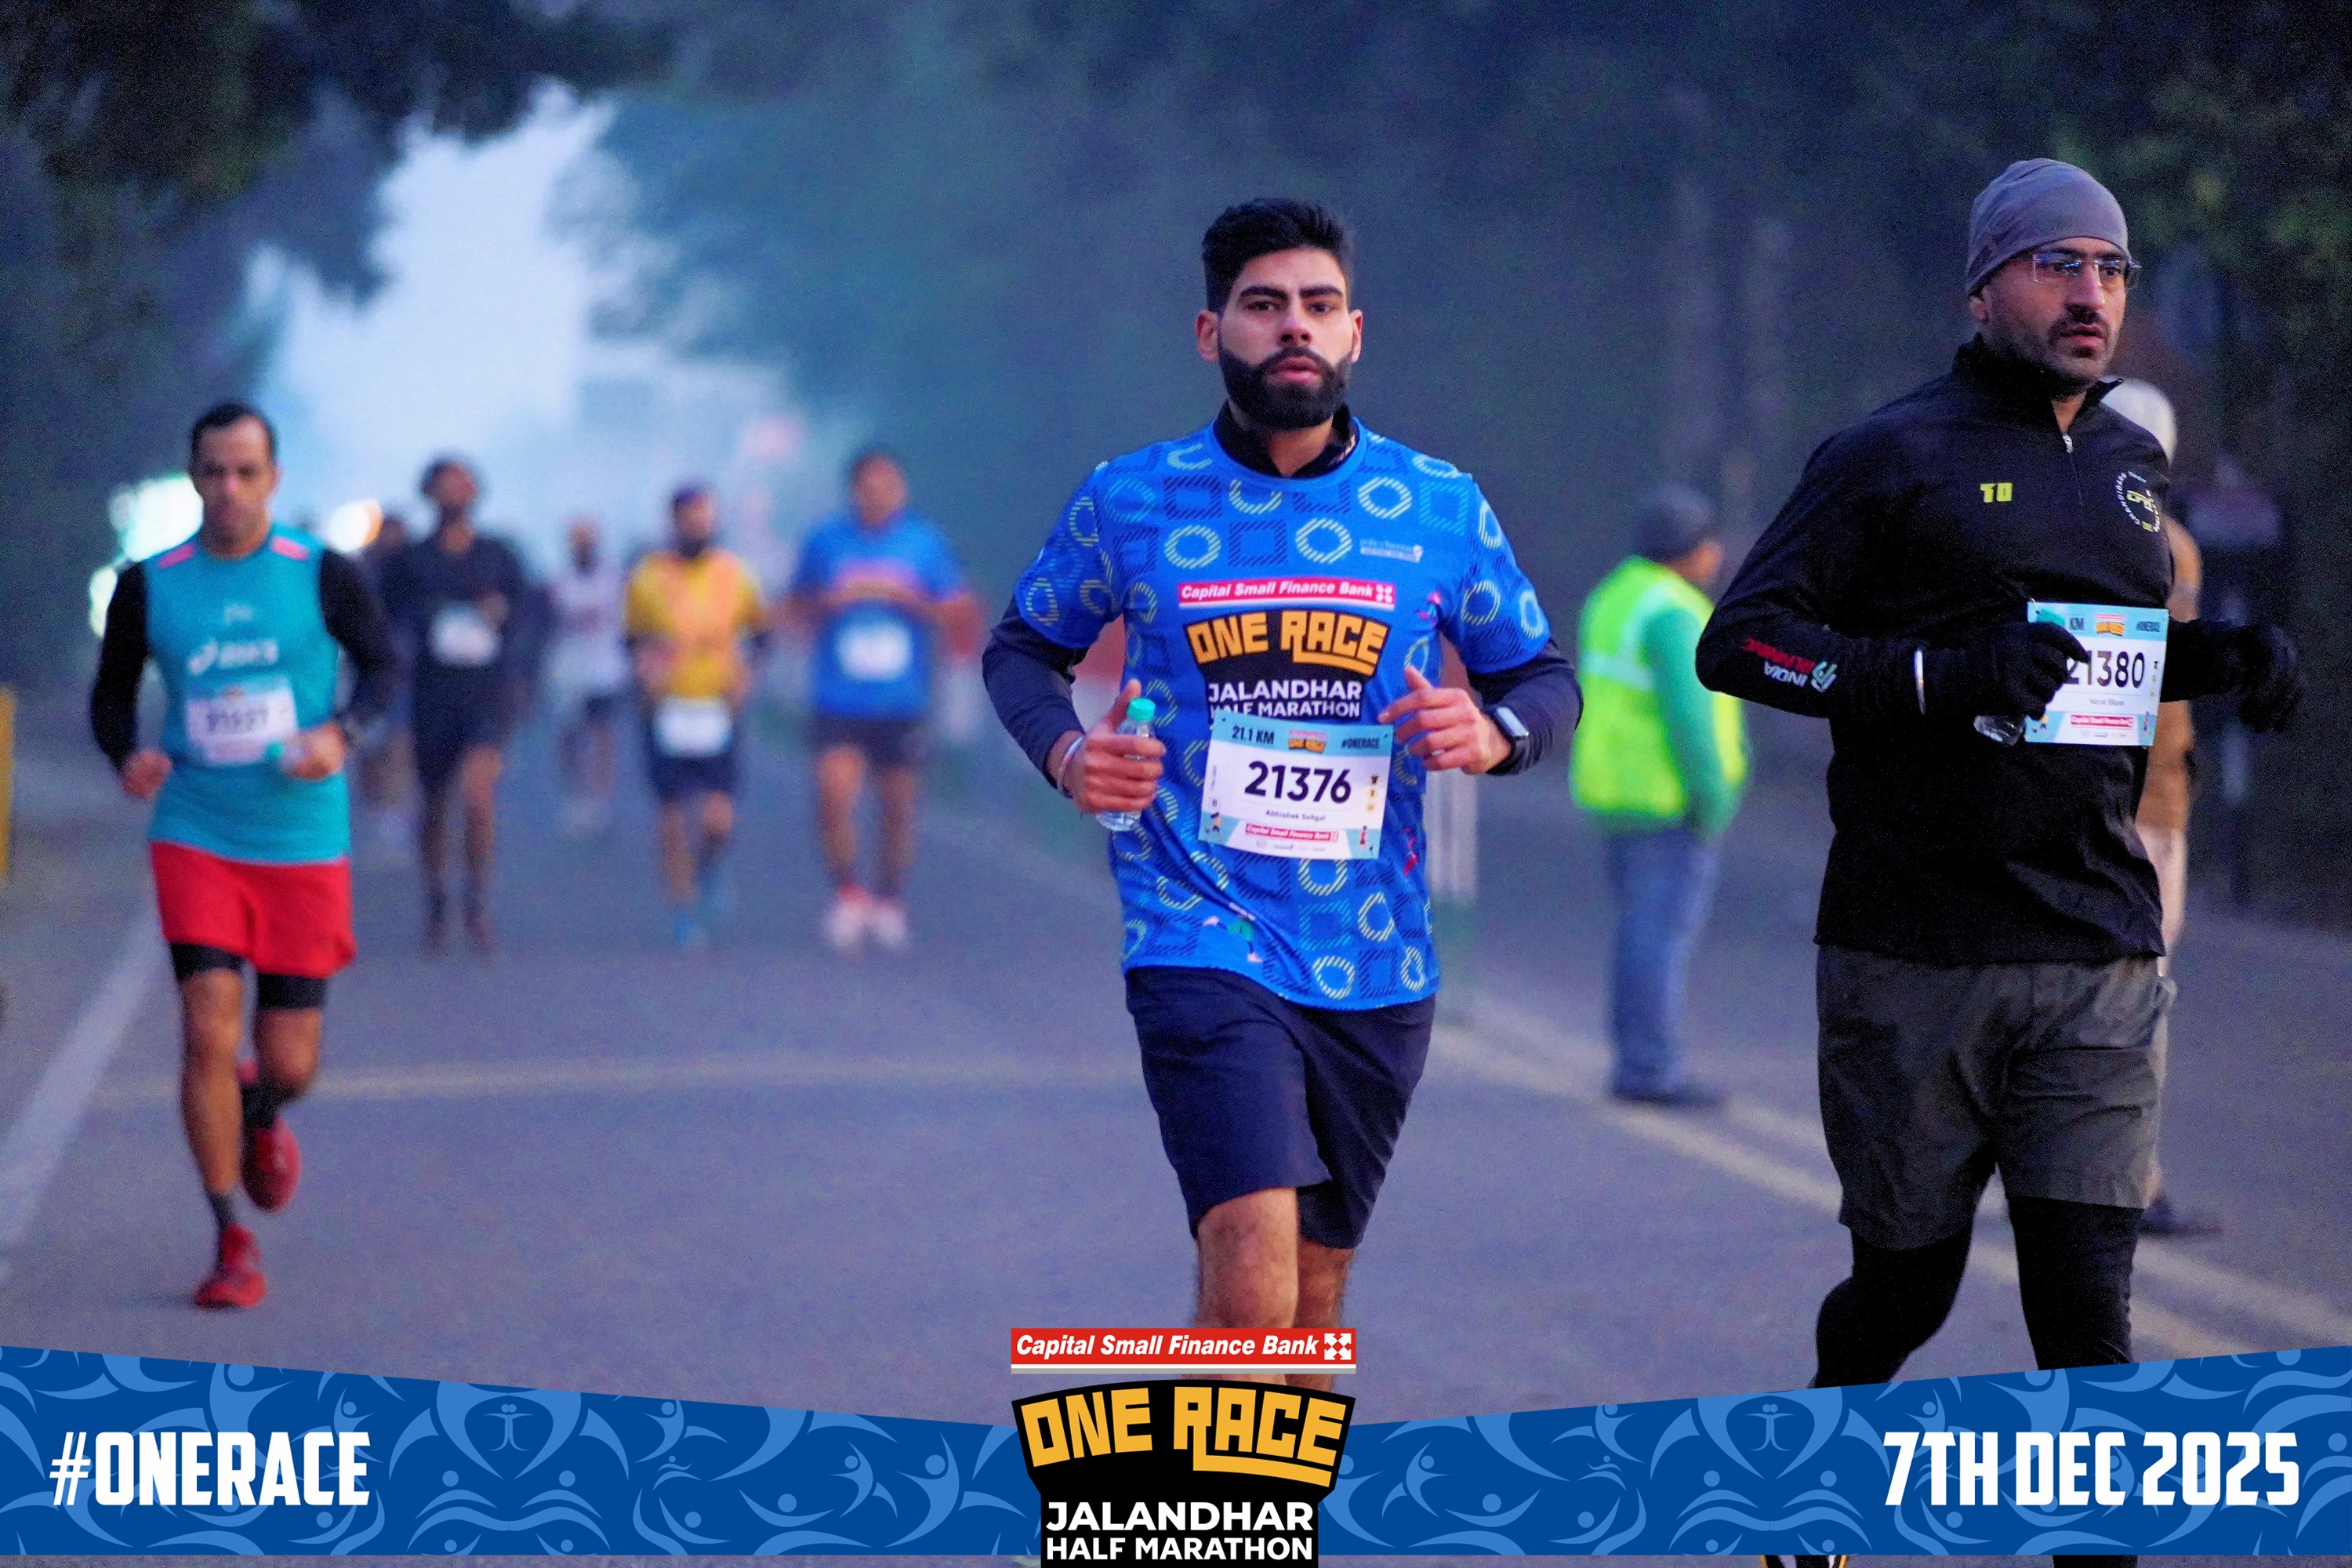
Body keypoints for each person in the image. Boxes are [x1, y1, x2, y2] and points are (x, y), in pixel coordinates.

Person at [1694, 158, 2302, 1543]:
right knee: (1904, 1289)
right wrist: (1934, 675)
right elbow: (1743, 645)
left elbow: (2099, 664)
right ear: (1983, 289)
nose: (2091, 293)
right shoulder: (1888, 456)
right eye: (2056, 264)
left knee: (2085, 1316)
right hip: (1916, 947)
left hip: (2096, 944)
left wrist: (2219, 657)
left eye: (2111, 268)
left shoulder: (2132, 467)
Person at [985, 198, 1578, 1375]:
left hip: (1374, 949)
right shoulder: (1131, 499)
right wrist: (1071, 755)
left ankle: (1250, 1478)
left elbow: (1542, 677)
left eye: (1318, 305)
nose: (1293, 327)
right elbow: (1021, 652)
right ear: (1213, 333)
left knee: (1308, 1307)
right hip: (1197, 927)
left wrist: (1494, 732)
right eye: (1263, 306)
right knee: (1253, 1283)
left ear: (1356, 332)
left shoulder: (1439, 504)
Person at [89, 401, 400, 1309]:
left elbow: (384, 667)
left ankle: (261, 1108)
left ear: (273, 478)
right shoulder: (151, 583)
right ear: (194, 476)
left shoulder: (320, 572)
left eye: (245, 471)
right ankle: (231, 1236)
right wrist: (127, 754)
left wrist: (341, 733)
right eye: (213, 471)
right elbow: (112, 696)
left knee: (290, 1060)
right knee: (206, 1029)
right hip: (198, 829)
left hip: (301, 836)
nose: (228, 487)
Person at [1570, 485, 1747, 1107]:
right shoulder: (1674, 612)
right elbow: (1691, 718)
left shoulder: (1616, 595)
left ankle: (1636, 1058)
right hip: (1668, 801)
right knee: (1659, 941)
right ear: (1692, 551)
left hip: (1617, 794)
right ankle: (1649, 1067)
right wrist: (1713, 798)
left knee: (1639, 935)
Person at [2100, 378, 2221, 1240]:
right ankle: (2129, 1180)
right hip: (2146, 804)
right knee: (2135, 996)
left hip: (2077, 794)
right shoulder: (2170, 546)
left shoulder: (2046, 529)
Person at [784, 448, 980, 952]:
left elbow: (959, 610)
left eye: (888, 486)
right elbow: (792, 606)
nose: (879, 495)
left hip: (902, 701)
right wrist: (830, 602)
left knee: (898, 810)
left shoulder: (926, 543)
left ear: (902, 490)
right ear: (853, 490)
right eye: (869, 487)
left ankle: (889, 900)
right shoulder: (825, 541)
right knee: (832, 797)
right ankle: (849, 893)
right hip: (838, 697)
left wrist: (909, 600)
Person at [378, 457, 530, 952]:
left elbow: (530, 615)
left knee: (478, 797)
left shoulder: (499, 555)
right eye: (444, 486)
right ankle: (437, 896)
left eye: (461, 486)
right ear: (429, 494)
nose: (453, 495)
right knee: (436, 804)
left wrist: (503, 620)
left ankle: (477, 898)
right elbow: (384, 620)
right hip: (433, 694)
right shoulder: (410, 561)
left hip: (488, 693)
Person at [625, 484, 770, 948]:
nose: (697, 525)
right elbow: (631, 637)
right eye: (689, 518)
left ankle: (710, 869)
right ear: (674, 522)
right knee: (671, 815)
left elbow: (761, 633)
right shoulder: (647, 577)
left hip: (717, 705)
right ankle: (683, 908)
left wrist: (747, 677)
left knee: (717, 817)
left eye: (704, 517)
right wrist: (644, 667)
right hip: (667, 705)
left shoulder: (735, 574)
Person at [547, 514, 630, 836]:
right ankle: (574, 797)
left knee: (602, 735)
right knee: (569, 736)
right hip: (568, 673)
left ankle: (600, 800)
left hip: (605, 671)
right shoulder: (559, 581)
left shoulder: (613, 579)